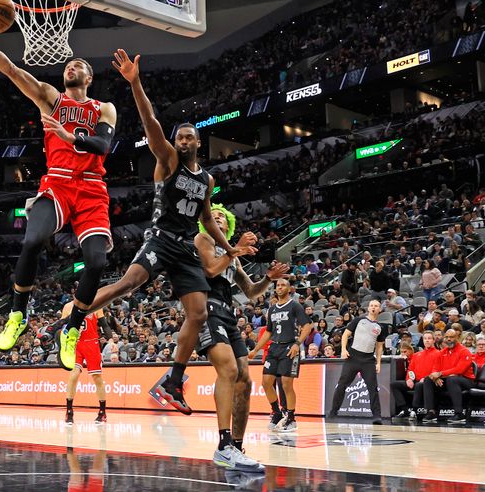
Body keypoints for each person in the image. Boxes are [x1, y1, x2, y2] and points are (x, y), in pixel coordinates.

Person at [79, 50, 256, 413]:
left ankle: (174, 381)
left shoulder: (206, 179)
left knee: (199, 314)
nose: (185, 142)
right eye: (181, 138)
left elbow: (206, 220)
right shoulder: (169, 161)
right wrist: (135, 83)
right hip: (160, 238)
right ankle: (74, 318)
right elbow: (150, 122)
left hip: (186, 248)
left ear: (199, 143)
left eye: (190, 138)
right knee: (128, 284)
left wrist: (230, 249)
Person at [0, 12, 117, 364]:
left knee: (96, 262)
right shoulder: (52, 98)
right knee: (33, 239)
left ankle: (72, 327)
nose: (71, 67)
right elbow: (11, 70)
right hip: (59, 183)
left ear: (89, 77)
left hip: (93, 189)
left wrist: (72, 136)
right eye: (68, 64)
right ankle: (18, 315)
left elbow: (103, 145)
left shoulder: (103, 108)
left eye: (78, 65)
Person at [195, 203, 288, 472]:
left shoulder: (232, 257)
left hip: (228, 312)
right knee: (229, 369)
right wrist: (235, 247)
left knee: (245, 379)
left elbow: (250, 291)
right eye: (214, 216)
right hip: (206, 307)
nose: (219, 218)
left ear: (230, 224)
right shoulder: (203, 239)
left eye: (223, 216)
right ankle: (223, 445)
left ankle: (236, 446)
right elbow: (211, 270)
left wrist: (269, 279)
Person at [249, 278, 313, 432]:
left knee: (286, 384)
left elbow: (308, 326)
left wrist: (298, 344)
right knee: (266, 382)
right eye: (278, 285)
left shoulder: (294, 305)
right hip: (274, 348)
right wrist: (255, 349)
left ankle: (291, 418)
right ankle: (277, 413)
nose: (280, 287)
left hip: (289, 347)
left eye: (283, 285)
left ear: (289, 288)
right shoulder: (271, 309)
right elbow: (268, 332)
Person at [328, 300, 388, 424]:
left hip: (368, 360)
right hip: (353, 357)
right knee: (341, 385)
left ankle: (377, 416)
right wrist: (343, 350)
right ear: (368, 308)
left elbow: (379, 347)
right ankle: (333, 412)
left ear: (379, 310)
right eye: (371, 305)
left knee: (373, 388)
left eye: (376, 306)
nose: (373, 307)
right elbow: (345, 335)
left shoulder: (381, 327)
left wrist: (378, 363)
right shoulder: (358, 320)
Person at [61, 302, 113, 425]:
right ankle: (69, 412)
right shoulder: (68, 306)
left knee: (97, 378)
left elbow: (104, 325)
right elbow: (62, 326)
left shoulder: (96, 305)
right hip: (75, 343)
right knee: (73, 376)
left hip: (92, 343)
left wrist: (111, 340)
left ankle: (102, 412)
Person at [421, 328, 475, 424]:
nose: (448, 339)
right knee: (428, 379)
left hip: (466, 380)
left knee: (452, 379)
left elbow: (459, 370)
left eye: (451, 337)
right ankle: (431, 412)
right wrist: (436, 377)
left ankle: (459, 414)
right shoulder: (443, 352)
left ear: (457, 337)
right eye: (447, 337)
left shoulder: (464, 351)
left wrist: (441, 374)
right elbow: (435, 368)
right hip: (449, 378)